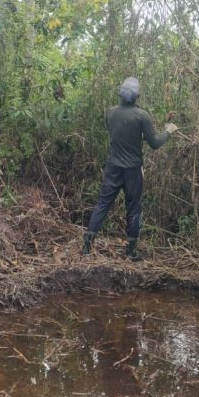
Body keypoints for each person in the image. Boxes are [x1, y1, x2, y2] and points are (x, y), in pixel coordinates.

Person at [82, 77, 178, 261]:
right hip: (133, 170)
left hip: (113, 167)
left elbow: (117, 134)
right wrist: (169, 131)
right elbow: (155, 143)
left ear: (120, 94)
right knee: (133, 208)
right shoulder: (142, 116)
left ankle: (86, 248)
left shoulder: (110, 113)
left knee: (103, 203)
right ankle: (131, 252)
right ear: (137, 96)